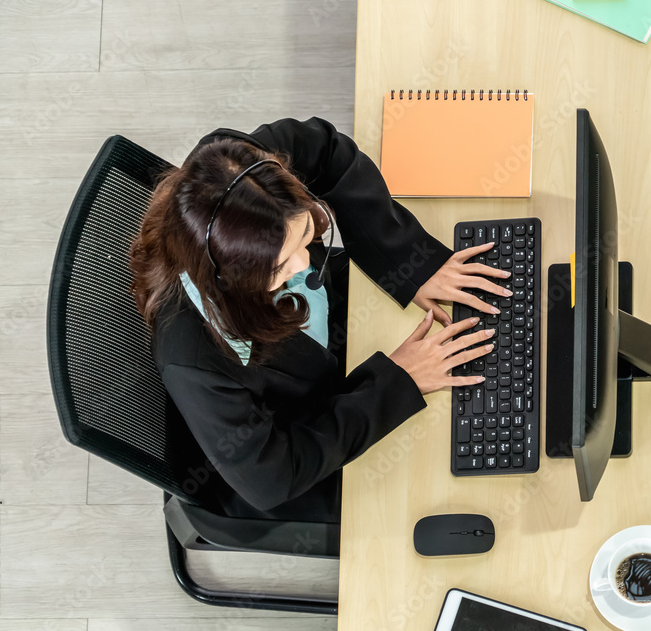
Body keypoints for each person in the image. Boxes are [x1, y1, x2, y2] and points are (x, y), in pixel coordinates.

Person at [129, 117, 510, 522]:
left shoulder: (240, 170)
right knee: (464, 476)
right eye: (278, 266)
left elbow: (329, 152)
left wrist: (409, 262)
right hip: (302, 447)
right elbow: (271, 478)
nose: (304, 262)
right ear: (230, 277)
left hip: (328, 341)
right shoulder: (195, 358)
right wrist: (399, 381)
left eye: (304, 234)